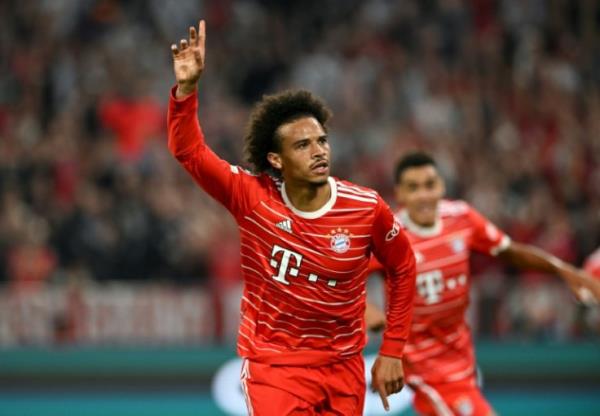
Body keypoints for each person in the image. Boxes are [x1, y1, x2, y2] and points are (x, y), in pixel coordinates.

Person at [167, 20, 417, 415]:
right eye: (303, 145)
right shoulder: (251, 197)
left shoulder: (365, 207)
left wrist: (393, 350)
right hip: (275, 368)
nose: (318, 151)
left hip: (344, 368)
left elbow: (403, 265)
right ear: (275, 159)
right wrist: (186, 91)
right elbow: (190, 152)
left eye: (321, 141)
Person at [367, 151, 600, 416]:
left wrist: (562, 270)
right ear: (400, 194)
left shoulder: (462, 218)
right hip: (421, 367)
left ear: (441, 186)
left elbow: (508, 251)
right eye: (413, 187)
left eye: (429, 185)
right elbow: (342, 277)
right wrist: (365, 309)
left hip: (461, 359)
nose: (423, 195)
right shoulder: (390, 235)